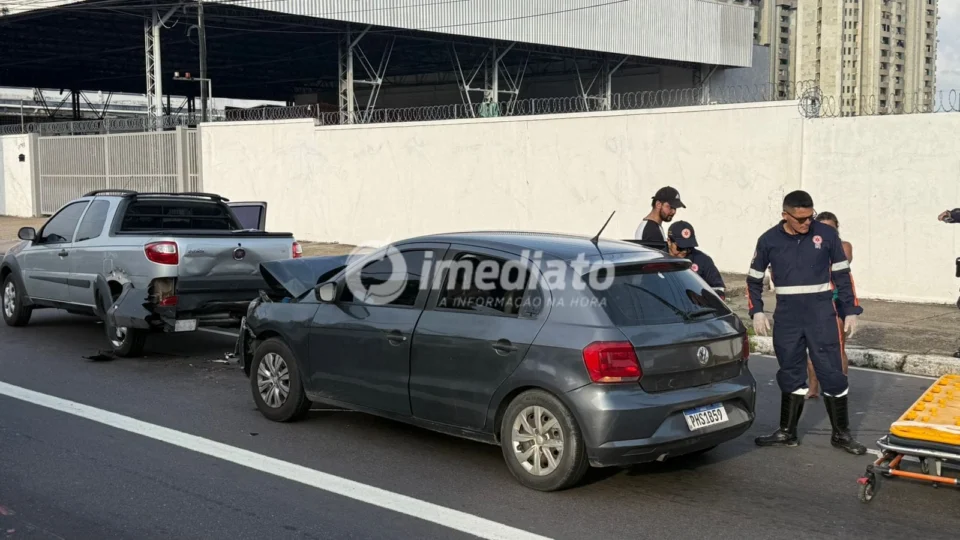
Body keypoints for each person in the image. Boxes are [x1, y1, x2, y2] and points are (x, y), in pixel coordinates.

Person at [746, 190, 866, 455]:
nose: (805, 224)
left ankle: (841, 434)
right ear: (785, 215)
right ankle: (787, 432)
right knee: (790, 372)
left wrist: (850, 310)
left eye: (809, 218)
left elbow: (843, 275)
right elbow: (753, 279)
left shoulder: (827, 235)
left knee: (832, 372)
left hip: (821, 314)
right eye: (799, 219)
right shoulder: (768, 240)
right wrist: (757, 310)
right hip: (788, 316)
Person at [805, 212, 852, 399]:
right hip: (814, 301)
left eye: (830, 228)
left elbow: (840, 265)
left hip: (837, 300)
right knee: (813, 347)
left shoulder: (843, 246)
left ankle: (841, 386)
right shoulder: (808, 246)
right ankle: (813, 388)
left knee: (838, 347)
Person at [667, 221, 726, 300]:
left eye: (689, 247)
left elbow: (719, 289)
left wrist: (703, 301)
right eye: (680, 247)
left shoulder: (703, 260)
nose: (685, 251)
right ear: (669, 241)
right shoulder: (657, 258)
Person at [635, 186, 685, 250]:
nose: (673, 211)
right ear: (658, 204)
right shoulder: (651, 231)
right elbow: (656, 259)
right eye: (671, 207)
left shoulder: (652, 226)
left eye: (675, 208)